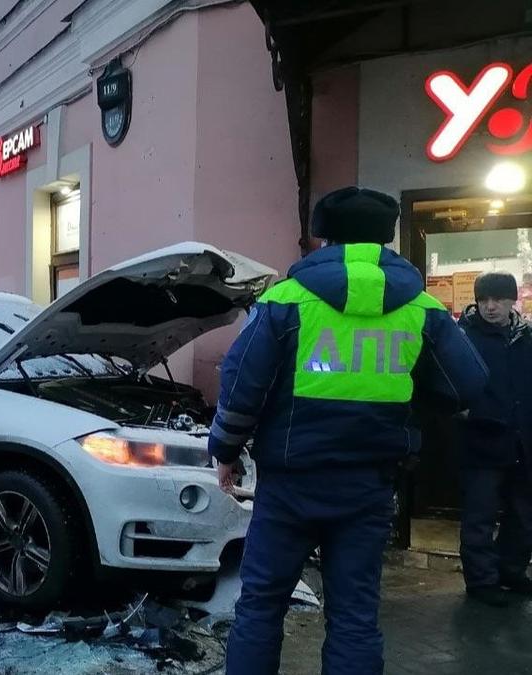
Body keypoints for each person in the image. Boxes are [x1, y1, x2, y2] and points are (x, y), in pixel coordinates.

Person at [208, 186, 487, 675]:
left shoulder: (285, 301)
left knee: (262, 606)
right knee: (354, 615)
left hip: (290, 485)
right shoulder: (421, 308)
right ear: (387, 239)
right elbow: (468, 383)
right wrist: (410, 402)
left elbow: (241, 382)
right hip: (368, 487)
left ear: (324, 239)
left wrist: (226, 450)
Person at [455, 272, 532, 607]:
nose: (490, 307)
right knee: (479, 516)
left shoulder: (527, 337)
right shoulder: (463, 337)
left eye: (498, 299)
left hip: (522, 441)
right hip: (481, 441)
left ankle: (512, 571)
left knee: (523, 515)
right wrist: (464, 411)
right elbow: (446, 381)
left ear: (512, 300)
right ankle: (481, 579)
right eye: (484, 299)